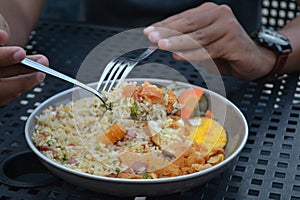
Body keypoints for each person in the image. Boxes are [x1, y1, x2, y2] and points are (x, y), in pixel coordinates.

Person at [0, 0, 299, 106]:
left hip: (240, 97)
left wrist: (268, 52)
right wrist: (3, 32)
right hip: (82, 76)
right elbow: (18, 6)